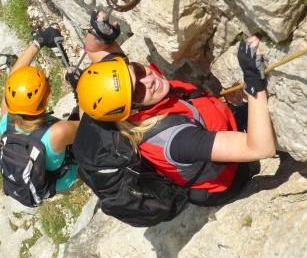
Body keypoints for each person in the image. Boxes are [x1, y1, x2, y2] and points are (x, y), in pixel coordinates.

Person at [77, 15, 275, 206]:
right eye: (137, 92)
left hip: (211, 123)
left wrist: (99, 33)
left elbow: (93, 49)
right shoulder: (175, 139)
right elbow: (259, 148)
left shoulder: (119, 85)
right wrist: (253, 83)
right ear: (132, 110)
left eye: (137, 70)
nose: (149, 80)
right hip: (228, 179)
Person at [0, 25, 80, 201]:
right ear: (45, 101)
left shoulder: (5, 120)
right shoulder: (57, 133)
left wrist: (39, 41)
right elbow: (89, 125)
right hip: (64, 179)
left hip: (38, 173)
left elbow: (12, 80)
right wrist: (80, 89)